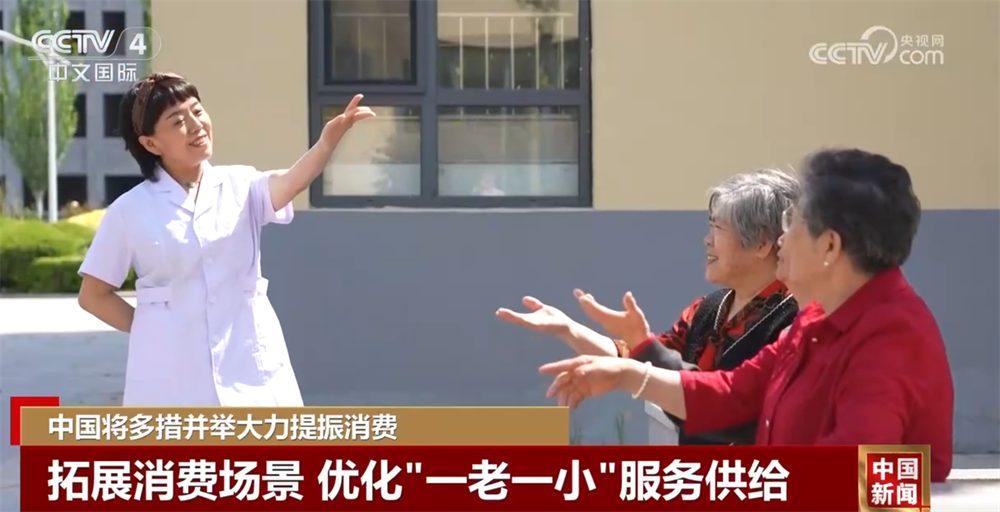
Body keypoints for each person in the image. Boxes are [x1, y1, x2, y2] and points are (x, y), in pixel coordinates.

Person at [536, 148, 955, 482]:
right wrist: (626, 374)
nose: (781, 240)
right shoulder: (816, 320)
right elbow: (733, 393)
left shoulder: (890, 336)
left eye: (792, 223)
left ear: (829, 246)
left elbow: (863, 476)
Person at [76, 72, 374, 406]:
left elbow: (290, 182)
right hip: (171, 378)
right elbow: (93, 295)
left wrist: (326, 144)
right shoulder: (129, 210)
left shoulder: (241, 185)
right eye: (178, 121)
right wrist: (153, 329)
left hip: (250, 364)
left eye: (197, 111)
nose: (197, 125)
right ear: (151, 143)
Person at [497, 169, 801, 445]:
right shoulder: (710, 308)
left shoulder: (795, 321)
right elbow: (647, 361)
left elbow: (731, 404)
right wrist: (569, 329)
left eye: (717, 228)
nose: (707, 240)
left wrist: (630, 367)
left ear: (762, 244)